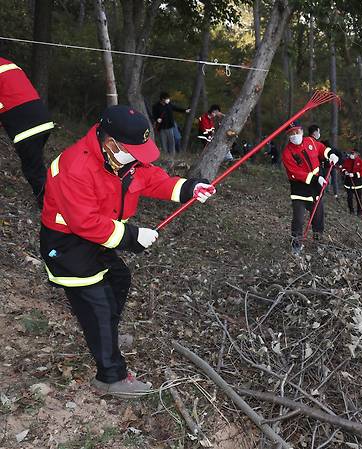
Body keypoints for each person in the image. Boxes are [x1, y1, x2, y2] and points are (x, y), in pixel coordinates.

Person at [40, 105, 216, 398]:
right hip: (67, 244)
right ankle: (110, 376)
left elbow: (155, 180)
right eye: (135, 151)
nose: (139, 159)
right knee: (97, 302)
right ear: (111, 144)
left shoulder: (124, 161)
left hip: (100, 237)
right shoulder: (74, 167)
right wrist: (133, 236)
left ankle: (105, 334)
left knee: (119, 279)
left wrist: (190, 188)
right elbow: (84, 223)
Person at [0, 56, 54, 205]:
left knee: (33, 169)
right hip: (43, 118)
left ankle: (49, 205)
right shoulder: (8, 64)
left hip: (26, 127)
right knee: (35, 162)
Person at [282, 121, 339, 254]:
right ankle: (296, 245)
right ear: (288, 136)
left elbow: (322, 149)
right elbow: (295, 173)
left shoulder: (310, 141)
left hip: (316, 189)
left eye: (297, 132)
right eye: (292, 133)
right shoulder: (287, 153)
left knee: (318, 218)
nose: (295, 135)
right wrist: (315, 178)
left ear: (301, 131)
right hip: (300, 190)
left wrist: (330, 154)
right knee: (299, 219)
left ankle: (318, 243)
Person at [341, 149, 362, 215]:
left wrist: (354, 174)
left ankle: (359, 211)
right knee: (349, 197)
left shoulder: (360, 162)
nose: (351, 154)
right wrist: (344, 171)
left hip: (357, 183)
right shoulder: (347, 160)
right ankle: (351, 210)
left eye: (353, 153)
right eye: (351, 153)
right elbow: (343, 168)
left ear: (357, 154)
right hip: (348, 182)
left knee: (358, 198)